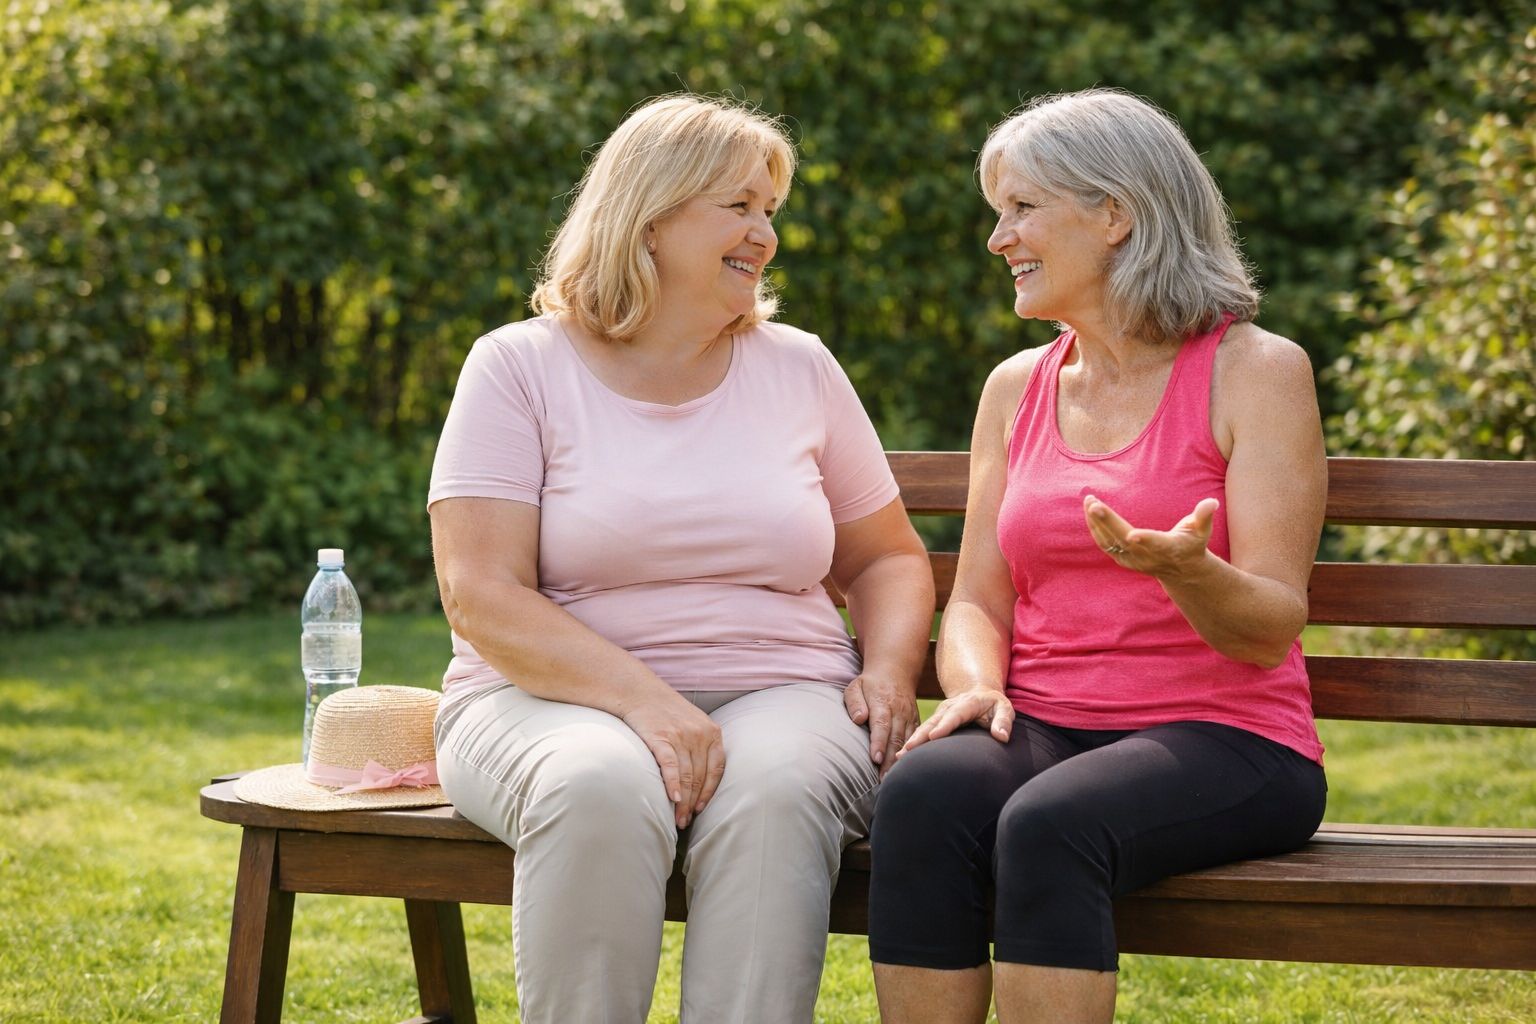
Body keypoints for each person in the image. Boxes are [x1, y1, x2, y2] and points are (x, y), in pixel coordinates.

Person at [426, 94, 934, 1024]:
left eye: (769, 211)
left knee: (776, 793)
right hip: (544, 702)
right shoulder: (517, 366)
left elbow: (887, 558)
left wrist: (893, 669)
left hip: (786, 689)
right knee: (597, 785)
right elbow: (481, 594)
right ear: (650, 216)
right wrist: (650, 707)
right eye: (738, 207)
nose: (765, 234)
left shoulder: (801, 366)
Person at [866, 88, 1329, 1024]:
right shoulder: (1016, 388)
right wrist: (975, 682)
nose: (1000, 240)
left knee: (1050, 822)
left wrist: (1188, 571)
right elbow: (977, 602)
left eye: (1023, 209)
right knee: (921, 795)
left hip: (1232, 739)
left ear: (1116, 214)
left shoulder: (1256, 370)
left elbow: (1269, 626)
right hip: (1045, 724)